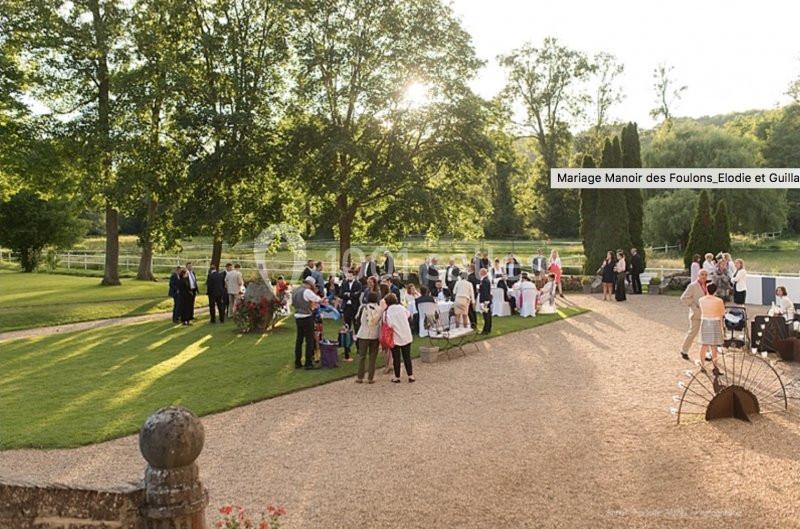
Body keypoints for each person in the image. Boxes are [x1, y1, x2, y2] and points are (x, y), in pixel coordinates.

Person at [293, 276, 325, 370]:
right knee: (309, 340)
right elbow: (317, 299)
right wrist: (322, 299)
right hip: (306, 317)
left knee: (299, 340)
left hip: (298, 316)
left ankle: (297, 362)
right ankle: (308, 363)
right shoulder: (307, 291)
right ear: (310, 284)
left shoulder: (295, 290)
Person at [382, 293, 414, 383]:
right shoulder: (402, 308)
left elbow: (388, 324)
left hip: (395, 337)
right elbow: (408, 315)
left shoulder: (387, 313)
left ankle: (397, 377)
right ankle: (410, 375)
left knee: (396, 358)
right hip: (406, 334)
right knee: (407, 356)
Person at [679, 269, 709, 361]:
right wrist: (694, 306)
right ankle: (684, 350)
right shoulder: (692, 286)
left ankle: (706, 354)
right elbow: (683, 298)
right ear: (698, 276)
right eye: (702, 274)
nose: (704, 276)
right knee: (692, 333)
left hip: (706, 314)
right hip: (696, 314)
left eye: (705, 275)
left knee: (705, 334)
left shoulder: (707, 286)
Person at [354, 291, 383, 383]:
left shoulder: (363, 307)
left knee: (362, 356)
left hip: (363, 333)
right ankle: (370, 377)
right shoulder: (380, 309)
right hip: (375, 334)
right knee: (372, 357)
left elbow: (357, 319)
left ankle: (360, 377)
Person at [698, 283, 725, 375]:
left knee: (704, 345)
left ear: (706, 289)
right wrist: (722, 327)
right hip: (715, 322)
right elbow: (721, 314)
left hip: (705, 322)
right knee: (714, 347)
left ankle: (702, 365)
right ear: (715, 291)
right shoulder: (719, 301)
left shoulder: (701, 300)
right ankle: (715, 367)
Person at [478, 268, 492, 335]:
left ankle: (486, 330)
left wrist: (485, 301)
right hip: (486, 299)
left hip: (485, 300)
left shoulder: (485, 281)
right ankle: (487, 328)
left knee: (486, 315)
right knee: (487, 315)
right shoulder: (485, 280)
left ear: (482, 273)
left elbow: (485, 291)